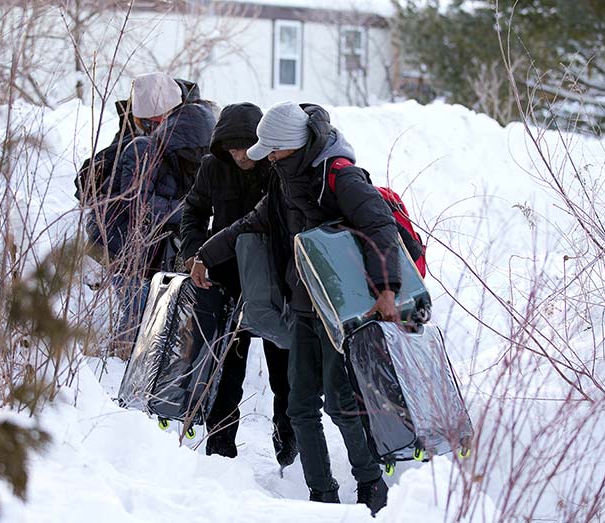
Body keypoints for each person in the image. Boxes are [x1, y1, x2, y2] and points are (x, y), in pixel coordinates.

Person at [193, 101, 398, 515]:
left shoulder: (340, 176)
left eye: (272, 150)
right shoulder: (283, 180)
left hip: (345, 308)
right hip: (304, 303)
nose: (266, 157)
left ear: (290, 146)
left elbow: (381, 226)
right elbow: (251, 222)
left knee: (341, 403)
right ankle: (321, 494)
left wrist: (387, 288)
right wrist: (205, 255)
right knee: (300, 404)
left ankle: (371, 485)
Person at [180, 103, 296, 465]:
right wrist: (192, 251)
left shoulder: (277, 166)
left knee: (285, 376)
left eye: (244, 147)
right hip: (226, 280)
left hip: (275, 283)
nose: (238, 155)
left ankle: (288, 450)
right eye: (230, 149)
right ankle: (220, 453)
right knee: (226, 374)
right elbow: (194, 210)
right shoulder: (213, 167)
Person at [103, 72, 216, 355]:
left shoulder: (148, 145)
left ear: (155, 119)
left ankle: (128, 352)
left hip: (145, 244)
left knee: (138, 307)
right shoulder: (206, 125)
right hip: (183, 236)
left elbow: (137, 202)